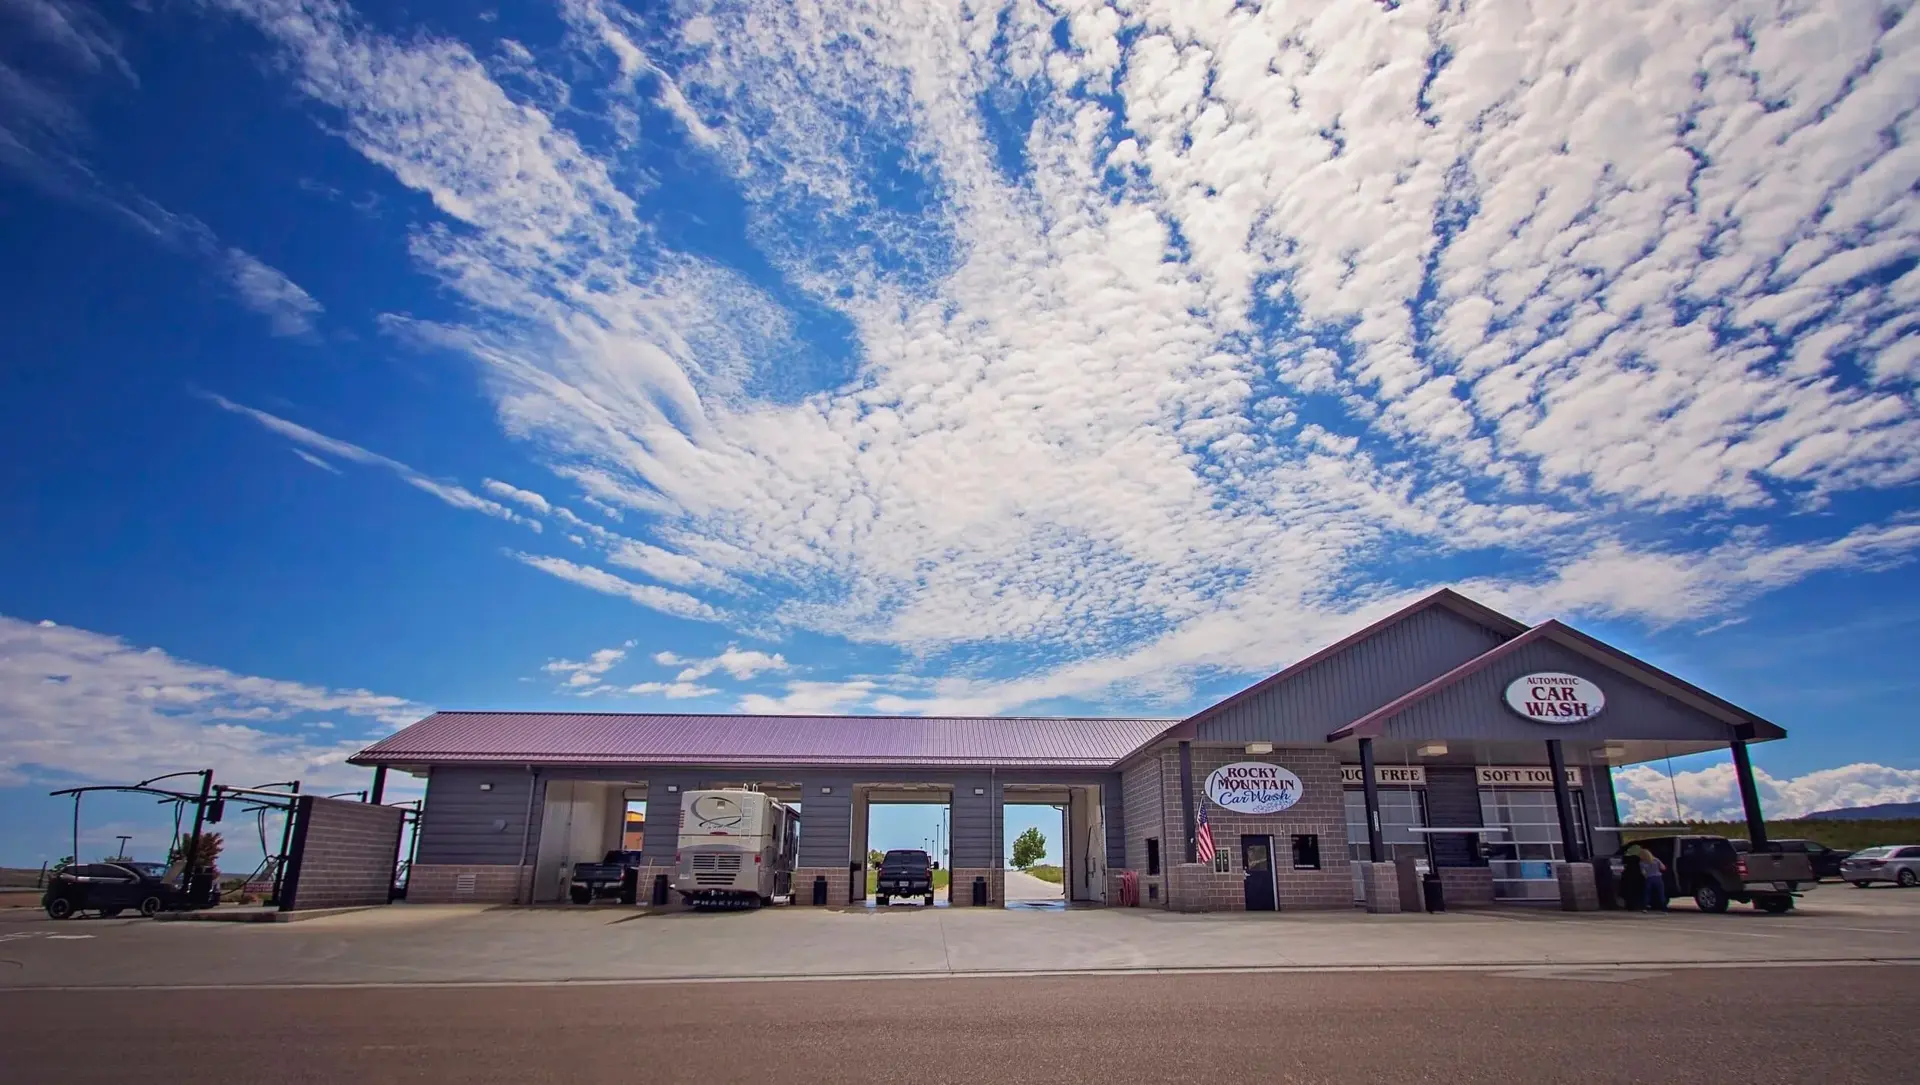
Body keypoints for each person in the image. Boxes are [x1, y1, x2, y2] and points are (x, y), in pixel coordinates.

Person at [1637, 845, 1668, 911]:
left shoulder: (1642, 863)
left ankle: (1645, 908)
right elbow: (1663, 868)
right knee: (1661, 893)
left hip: (1649, 878)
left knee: (1647, 893)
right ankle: (1664, 908)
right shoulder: (1656, 860)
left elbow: (1643, 872)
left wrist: (1646, 876)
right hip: (1658, 878)